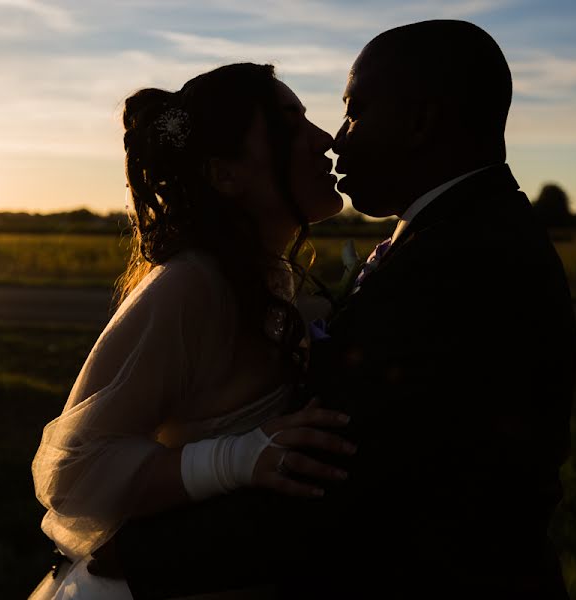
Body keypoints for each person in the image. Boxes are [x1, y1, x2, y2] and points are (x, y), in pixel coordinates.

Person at [100, 20, 576, 599]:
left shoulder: (465, 260)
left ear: (420, 121)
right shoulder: (452, 237)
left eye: (353, 111)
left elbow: (354, 485)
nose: (335, 139)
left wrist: (137, 555)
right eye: (298, 124)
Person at [28, 63, 352, 600]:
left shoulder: (258, 273)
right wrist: (236, 458)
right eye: (290, 124)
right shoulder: (192, 284)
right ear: (225, 174)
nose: (325, 141)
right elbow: (75, 472)